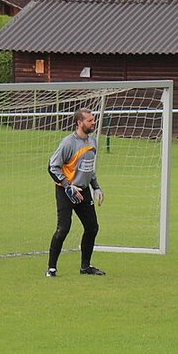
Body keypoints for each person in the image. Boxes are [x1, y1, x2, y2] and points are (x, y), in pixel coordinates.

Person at [47, 107, 105, 277]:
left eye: (93, 119)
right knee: (63, 228)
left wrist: (96, 187)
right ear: (80, 123)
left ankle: (85, 267)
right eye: (90, 120)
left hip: (83, 191)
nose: (93, 122)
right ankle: (51, 268)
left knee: (92, 227)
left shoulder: (92, 142)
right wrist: (67, 186)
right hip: (66, 191)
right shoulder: (68, 143)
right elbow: (52, 167)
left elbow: (88, 169)